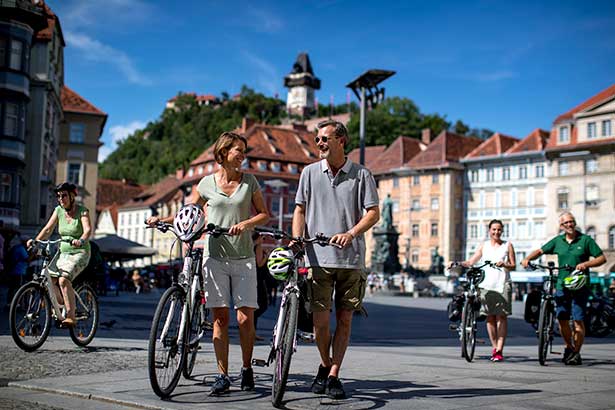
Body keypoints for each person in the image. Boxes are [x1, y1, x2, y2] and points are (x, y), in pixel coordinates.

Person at [147, 131, 269, 395]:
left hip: (244, 257)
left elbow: (264, 215)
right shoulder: (205, 184)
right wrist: (162, 221)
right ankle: (222, 375)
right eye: (238, 150)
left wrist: (245, 224)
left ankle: (247, 369)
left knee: (245, 319)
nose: (242, 155)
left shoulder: (250, 182)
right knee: (220, 319)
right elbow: (187, 214)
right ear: (223, 153)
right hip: (214, 258)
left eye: (244, 151)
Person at [292, 119, 379, 399]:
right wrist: (297, 238)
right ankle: (325, 362)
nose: (319, 143)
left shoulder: (362, 174)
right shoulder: (309, 173)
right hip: (317, 258)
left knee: (344, 320)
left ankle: (333, 375)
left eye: (325, 139)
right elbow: (300, 210)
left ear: (341, 141)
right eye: (317, 139)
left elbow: (373, 213)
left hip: (351, 260)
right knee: (319, 323)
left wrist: (351, 233)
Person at [522, 211, 606, 365]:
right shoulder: (558, 241)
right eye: (565, 223)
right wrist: (527, 258)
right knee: (562, 319)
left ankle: (576, 353)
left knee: (578, 321)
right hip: (562, 285)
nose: (569, 225)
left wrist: (586, 264)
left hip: (580, 286)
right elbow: (540, 250)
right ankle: (569, 347)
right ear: (561, 226)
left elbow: (602, 258)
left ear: (575, 223)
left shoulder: (585, 240)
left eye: (571, 221)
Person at [27, 182, 91, 327]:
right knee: (50, 279)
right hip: (63, 253)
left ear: (72, 196)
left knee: (63, 280)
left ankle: (71, 316)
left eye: (64, 195)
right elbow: (48, 229)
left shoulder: (83, 211)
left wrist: (80, 240)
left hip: (80, 252)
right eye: (58, 196)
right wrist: (36, 241)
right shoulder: (58, 210)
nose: (61, 199)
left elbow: (87, 230)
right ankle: (62, 304)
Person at [460, 219, 516, 362]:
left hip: (502, 284)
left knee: (501, 317)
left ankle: (499, 350)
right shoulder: (484, 246)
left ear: (502, 230)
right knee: (490, 318)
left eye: (499, 229)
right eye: (494, 229)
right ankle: (494, 347)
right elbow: (471, 262)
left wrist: (505, 264)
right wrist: (456, 263)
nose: (496, 232)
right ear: (489, 230)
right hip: (485, 285)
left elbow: (513, 265)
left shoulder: (507, 245)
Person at [252, 232, 269, 341]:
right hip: (258, 278)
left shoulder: (250, 246)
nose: (263, 239)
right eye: (262, 237)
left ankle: (251, 331)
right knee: (262, 305)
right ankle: (251, 331)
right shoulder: (258, 247)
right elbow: (260, 263)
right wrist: (266, 256)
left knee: (255, 305)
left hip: (253, 277)